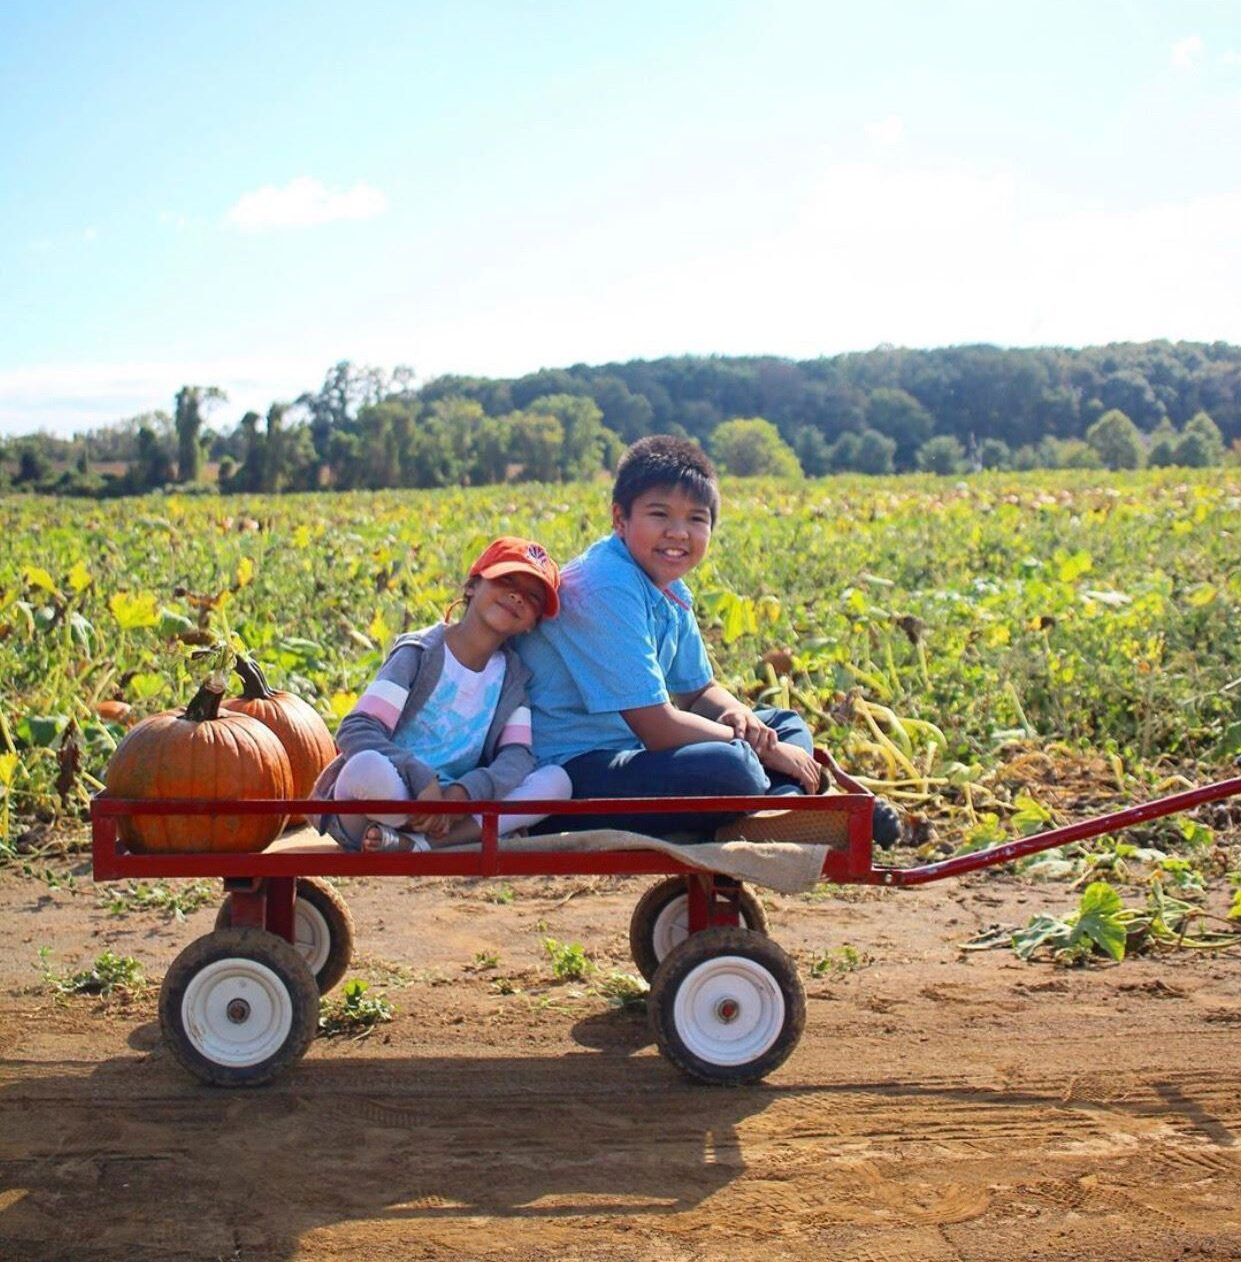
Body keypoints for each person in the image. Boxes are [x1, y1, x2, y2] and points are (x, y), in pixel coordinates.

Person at [515, 435, 823, 839]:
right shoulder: (605, 584)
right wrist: (765, 749)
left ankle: (778, 814)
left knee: (783, 723)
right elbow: (657, 728)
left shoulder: (669, 588)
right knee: (733, 767)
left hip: (632, 753)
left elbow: (698, 693)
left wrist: (740, 716)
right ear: (619, 519)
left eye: (696, 519)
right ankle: (784, 805)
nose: (679, 533)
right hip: (567, 773)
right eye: (660, 515)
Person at [313, 536, 571, 852]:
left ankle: (419, 844)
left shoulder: (512, 679)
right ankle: (426, 836)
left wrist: (461, 795)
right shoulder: (421, 653)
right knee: (366, 766)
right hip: (386, 799)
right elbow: (356, 729)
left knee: (557, 782)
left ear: (533, 623)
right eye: (506, 580)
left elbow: (517, 756)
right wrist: (420, 779)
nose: (517, 596)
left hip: (453, 806)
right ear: (473, 586)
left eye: (532, 598)